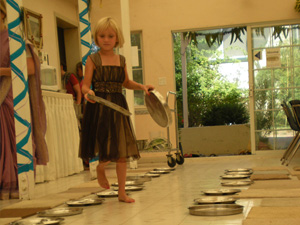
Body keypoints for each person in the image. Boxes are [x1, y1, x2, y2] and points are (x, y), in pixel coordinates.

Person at [80, 17, 154, 203]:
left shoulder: (121, 60)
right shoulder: (92, 59)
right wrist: (88, 92)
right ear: (97, 38)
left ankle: (122, 192)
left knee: (121, 150)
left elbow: (126, 82)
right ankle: (100, 167)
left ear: (117, 38)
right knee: (106, 144)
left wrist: (142, 86)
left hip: (118, 106)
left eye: (110, 36)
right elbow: (84, 84)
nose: (106, 39)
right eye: (102, 35)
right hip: (99, 106)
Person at [0, 0, 48, 199]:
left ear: (3, 13)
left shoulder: (15, 38)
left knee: (11, 141)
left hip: (9, 95)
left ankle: (13, 185)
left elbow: (27, 69)